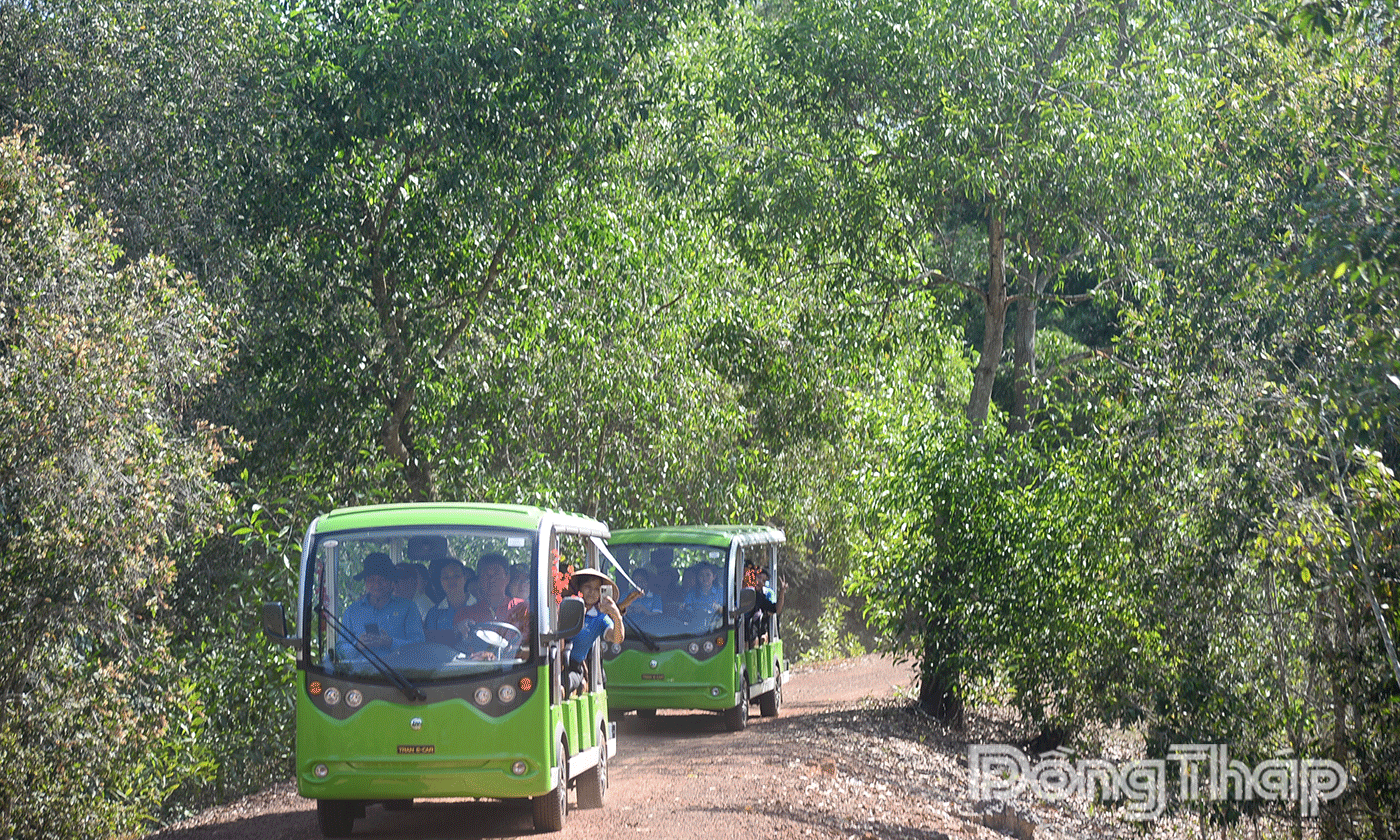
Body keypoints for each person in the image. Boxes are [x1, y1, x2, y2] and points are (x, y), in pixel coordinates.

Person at [341, 552, 424, 655]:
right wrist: (357, 645)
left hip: (398, 670)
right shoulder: (352, 611)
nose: (376, 584)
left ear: (391, 581)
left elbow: (420, 646)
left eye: (382, 579)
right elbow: (340, 649)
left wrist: (390, 643)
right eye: (371, 580)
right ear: (365, 582)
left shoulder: (408, 608)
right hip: (360, 670)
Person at [564, 568, 625, 694]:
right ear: (579, 588)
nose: (592, 592)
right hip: (552, 664)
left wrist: (616, 614)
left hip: (574, 669)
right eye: (587, 587)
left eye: (597, 589)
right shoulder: (565, 607)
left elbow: (617, 638)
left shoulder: (600, 618)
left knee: (561, 685)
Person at [455, 552, 529, 635]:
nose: (491, 579)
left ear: (507, 579)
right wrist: (461, 630)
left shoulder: (522, 608)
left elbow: (531, 641)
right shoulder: (465, 614)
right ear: (479, 580)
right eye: (486, 575)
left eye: (496, 574)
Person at [423, 556, 474, 646]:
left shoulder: (480, 605)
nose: (451, 580)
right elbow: (430, 642)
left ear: (465, 578)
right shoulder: (434, 613)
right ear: (440, 581)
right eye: (446, 577)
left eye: (456, 576)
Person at [747, 568, 788, 646]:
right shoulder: (737, 591)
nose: (761, 583)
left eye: (764, 581)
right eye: (759, 578)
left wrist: (782, 592)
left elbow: (776, 609)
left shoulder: (759, 597)